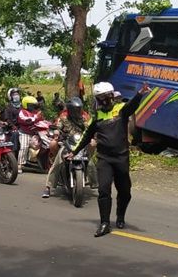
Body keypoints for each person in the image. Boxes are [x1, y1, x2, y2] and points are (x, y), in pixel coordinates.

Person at [67, 81, 150, 237]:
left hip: (121, 158)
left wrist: (140, 94)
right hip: (104, 159)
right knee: (104, 190)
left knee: (125, 192)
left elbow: (131, 106)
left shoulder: (121, 111)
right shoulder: (97, 117)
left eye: (104, 97)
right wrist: (74, 151)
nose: (103, 100)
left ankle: (120, 216)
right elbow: (86, 136)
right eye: (99, 98)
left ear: (111, 97)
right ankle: (104, 223)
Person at [42, 97, 92, 198]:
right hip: (67, 143)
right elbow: (57, 127)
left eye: (79, 109)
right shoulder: (63, 119)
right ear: (70, 110)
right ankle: (48, 187)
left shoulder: (83, 119)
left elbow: (89, 128)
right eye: (75, 109)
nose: (77, 112)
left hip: (80, 144)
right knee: (58, 161)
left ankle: (94, 182)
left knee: (90, 162)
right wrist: (56, 132)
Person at [17, 95, 43, 174]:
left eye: (34, 105)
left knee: (41, 145)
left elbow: (41, 120)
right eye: (31, 105)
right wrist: (35, 118)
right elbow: (25, 121)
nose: (33, 107)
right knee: (24, 147)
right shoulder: (22, 112)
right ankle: (19, 164)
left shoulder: (35, 112)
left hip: (34, 133)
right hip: (24, 133)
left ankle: (39, 163)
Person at [0, 88, 22, 157]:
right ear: (10, 96)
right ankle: (13, 153)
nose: (16, 96)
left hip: (21, 127)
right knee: (15, 134)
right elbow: (7, 119)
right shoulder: (8, 107)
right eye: (14, 94)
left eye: (17, 94)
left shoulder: (22, 106)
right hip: (10, 129)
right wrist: (12, 126)